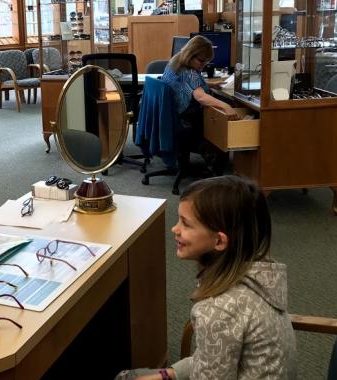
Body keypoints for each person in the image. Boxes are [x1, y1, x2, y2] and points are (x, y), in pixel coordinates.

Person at [116, 175, 296, 380]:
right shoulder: (261, 276)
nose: (175, 229)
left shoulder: (218, 309)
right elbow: (214, 359)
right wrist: (169, 374)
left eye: (186, 224)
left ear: (219, 241)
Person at [161, 35, 236, 173]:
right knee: (220, 126)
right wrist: (226, 106)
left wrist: (210, 84)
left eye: (206, 62)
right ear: (191, 55)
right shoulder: (190, 73)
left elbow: (184, 85)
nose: (203, 65)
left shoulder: (175, 61)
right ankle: (217, 172)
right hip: (186, 120)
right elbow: (200, 97)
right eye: (201, 61)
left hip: (172, 116)